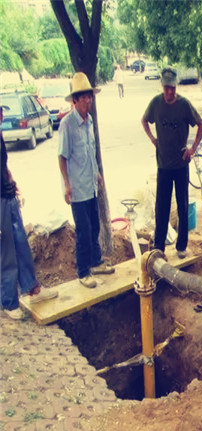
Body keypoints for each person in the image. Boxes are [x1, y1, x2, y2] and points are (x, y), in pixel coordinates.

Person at [1, 103, 58, 319]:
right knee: (6, 253)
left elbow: (4, 165)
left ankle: (33, 288)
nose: (2, 114)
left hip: (8, 198)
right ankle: (8, 301)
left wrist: (13, 183)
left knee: (21, 244)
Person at [141, 67, 202, 258]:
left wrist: (192, 148)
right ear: (162, 85)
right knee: (161, 206)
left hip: (181, 165)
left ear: (176, 87)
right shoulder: (156, 103)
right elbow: (144, 120)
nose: (170, 92)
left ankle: (181, 246)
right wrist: (153, 140)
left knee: (182, 204)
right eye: (167, 87)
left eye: (173, 88)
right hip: (163, 165)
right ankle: (159, 246)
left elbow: (201, 125)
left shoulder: (184, 105)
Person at [58, 72, 115, 289]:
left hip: (90, 185)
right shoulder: (67, 125)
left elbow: (91, 151)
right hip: (77, 189)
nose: (88, 101)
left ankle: (96, 262)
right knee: (83, 230)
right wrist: (67, 185)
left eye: (90, 97)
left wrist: (97, 173)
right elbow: (62, 157)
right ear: (75, 100)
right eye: (83, 98)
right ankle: (83, 272)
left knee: (94, 227)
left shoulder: (89, 121)